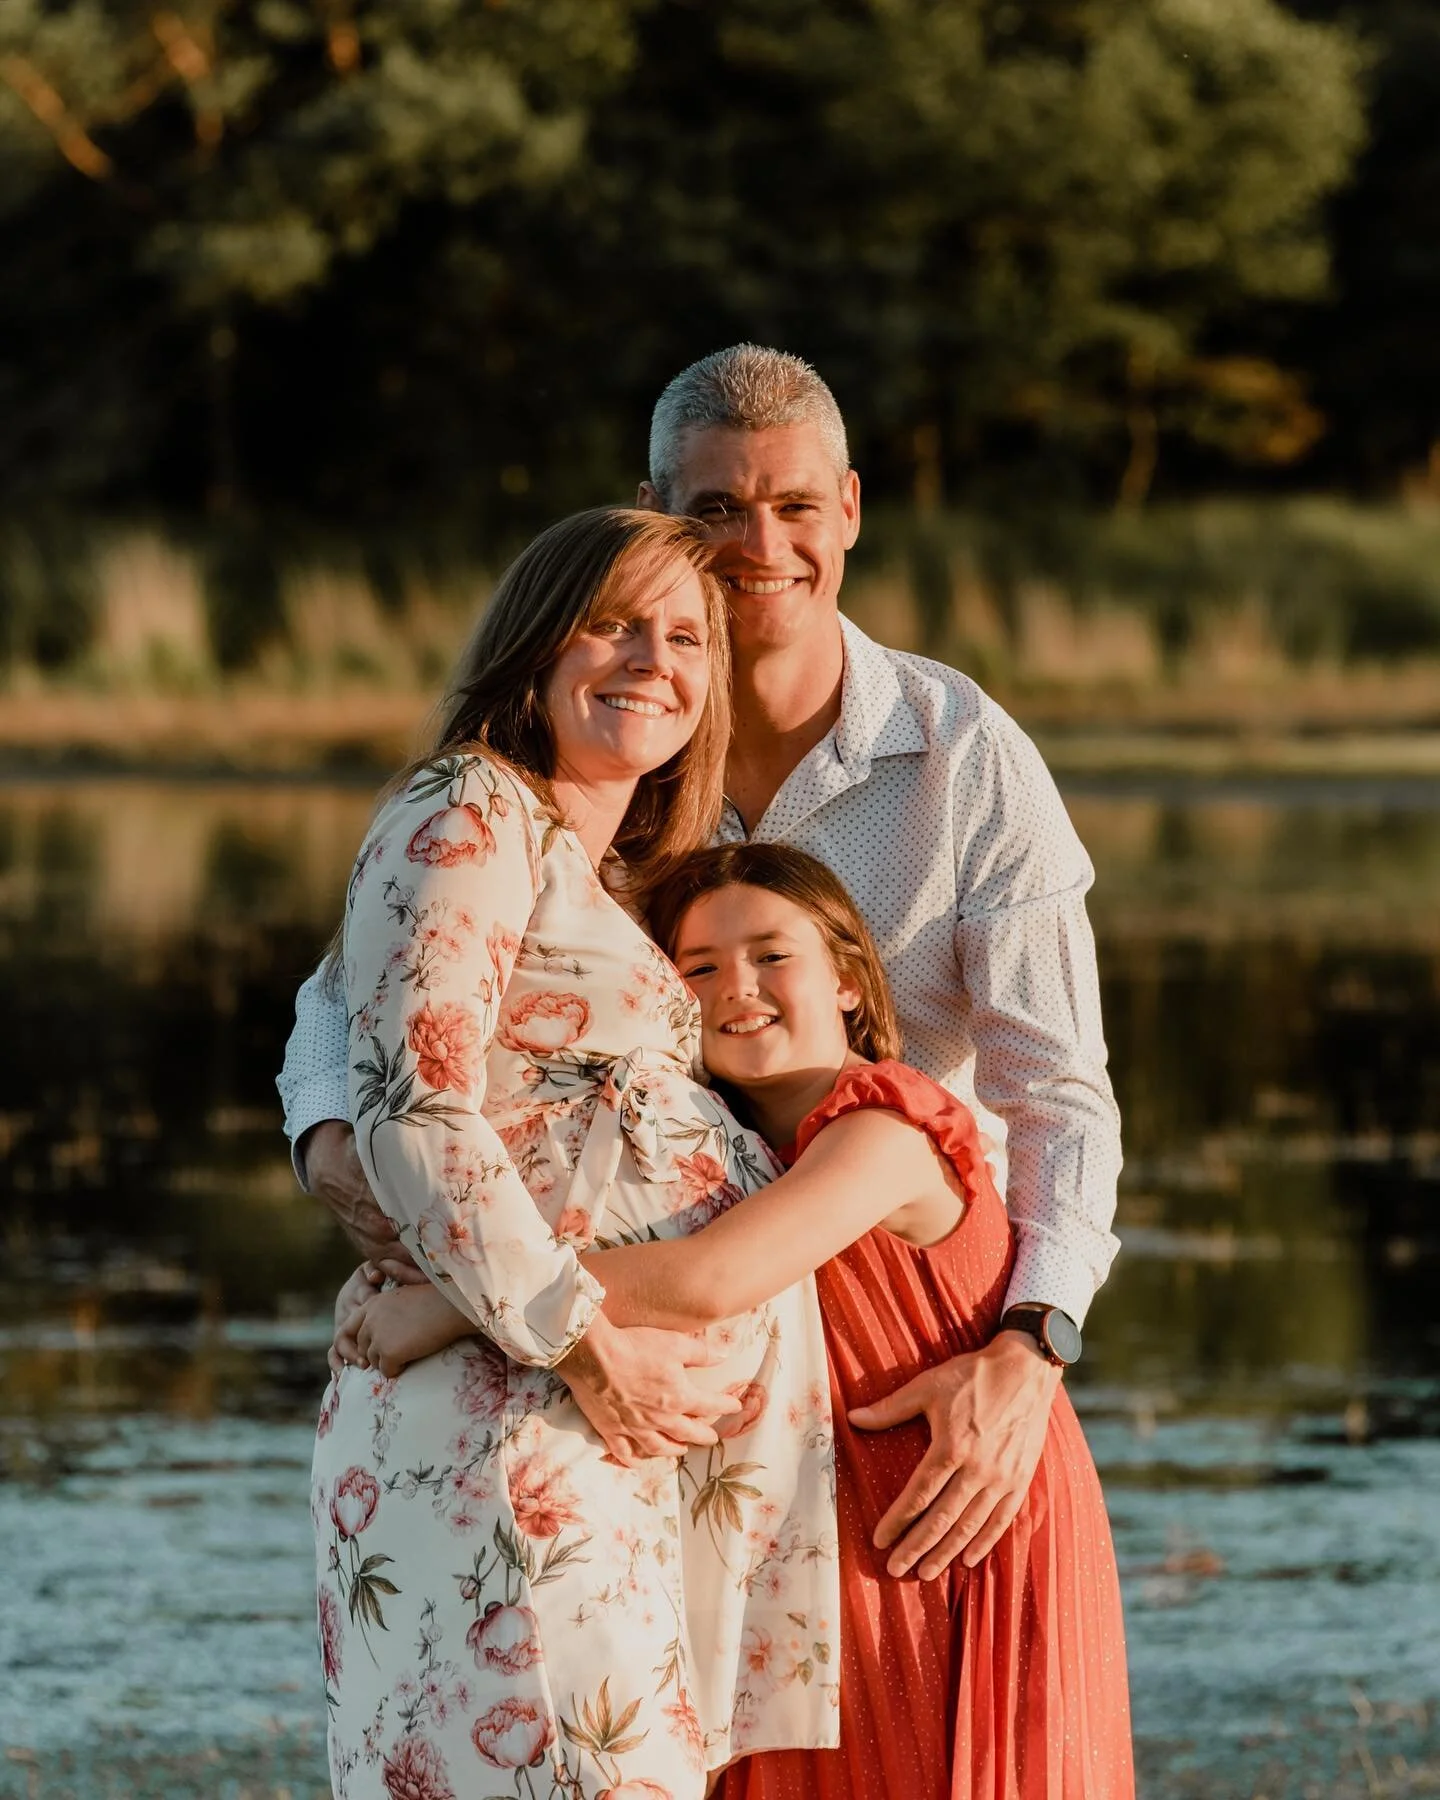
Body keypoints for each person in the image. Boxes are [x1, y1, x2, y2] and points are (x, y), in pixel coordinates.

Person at [282, 343, 1123, 1582]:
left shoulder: (967, 759)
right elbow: (351, 990)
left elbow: (1059, 1095)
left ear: (849, 510)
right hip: (626, 1349)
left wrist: (1030, 1349)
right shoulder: (602, 750)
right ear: (655, 513)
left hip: (905, 1352)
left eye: (793, 505)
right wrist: (335, 1150)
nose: (759, 543)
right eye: (715, 508)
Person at [337, 842, 1135, 1800]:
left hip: (955, 1519)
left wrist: (456, 1306)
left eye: (771, 954)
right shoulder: (726, 1150)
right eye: (699, 968)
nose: (736, 987)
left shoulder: (887, 1125)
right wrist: (405, 1256)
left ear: (846, 979)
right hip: (822, 1544)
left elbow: (710, 1279)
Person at [311, 507, 840, 1800]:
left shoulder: (615, 869)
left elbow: (348, 1024)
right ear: (538, 649)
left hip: (593, 1432)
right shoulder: (468, 808)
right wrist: (583, 1337)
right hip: (523, 1421)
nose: (650, 659)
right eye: (612, 624)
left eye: (681, 636)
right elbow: (413, 1101)